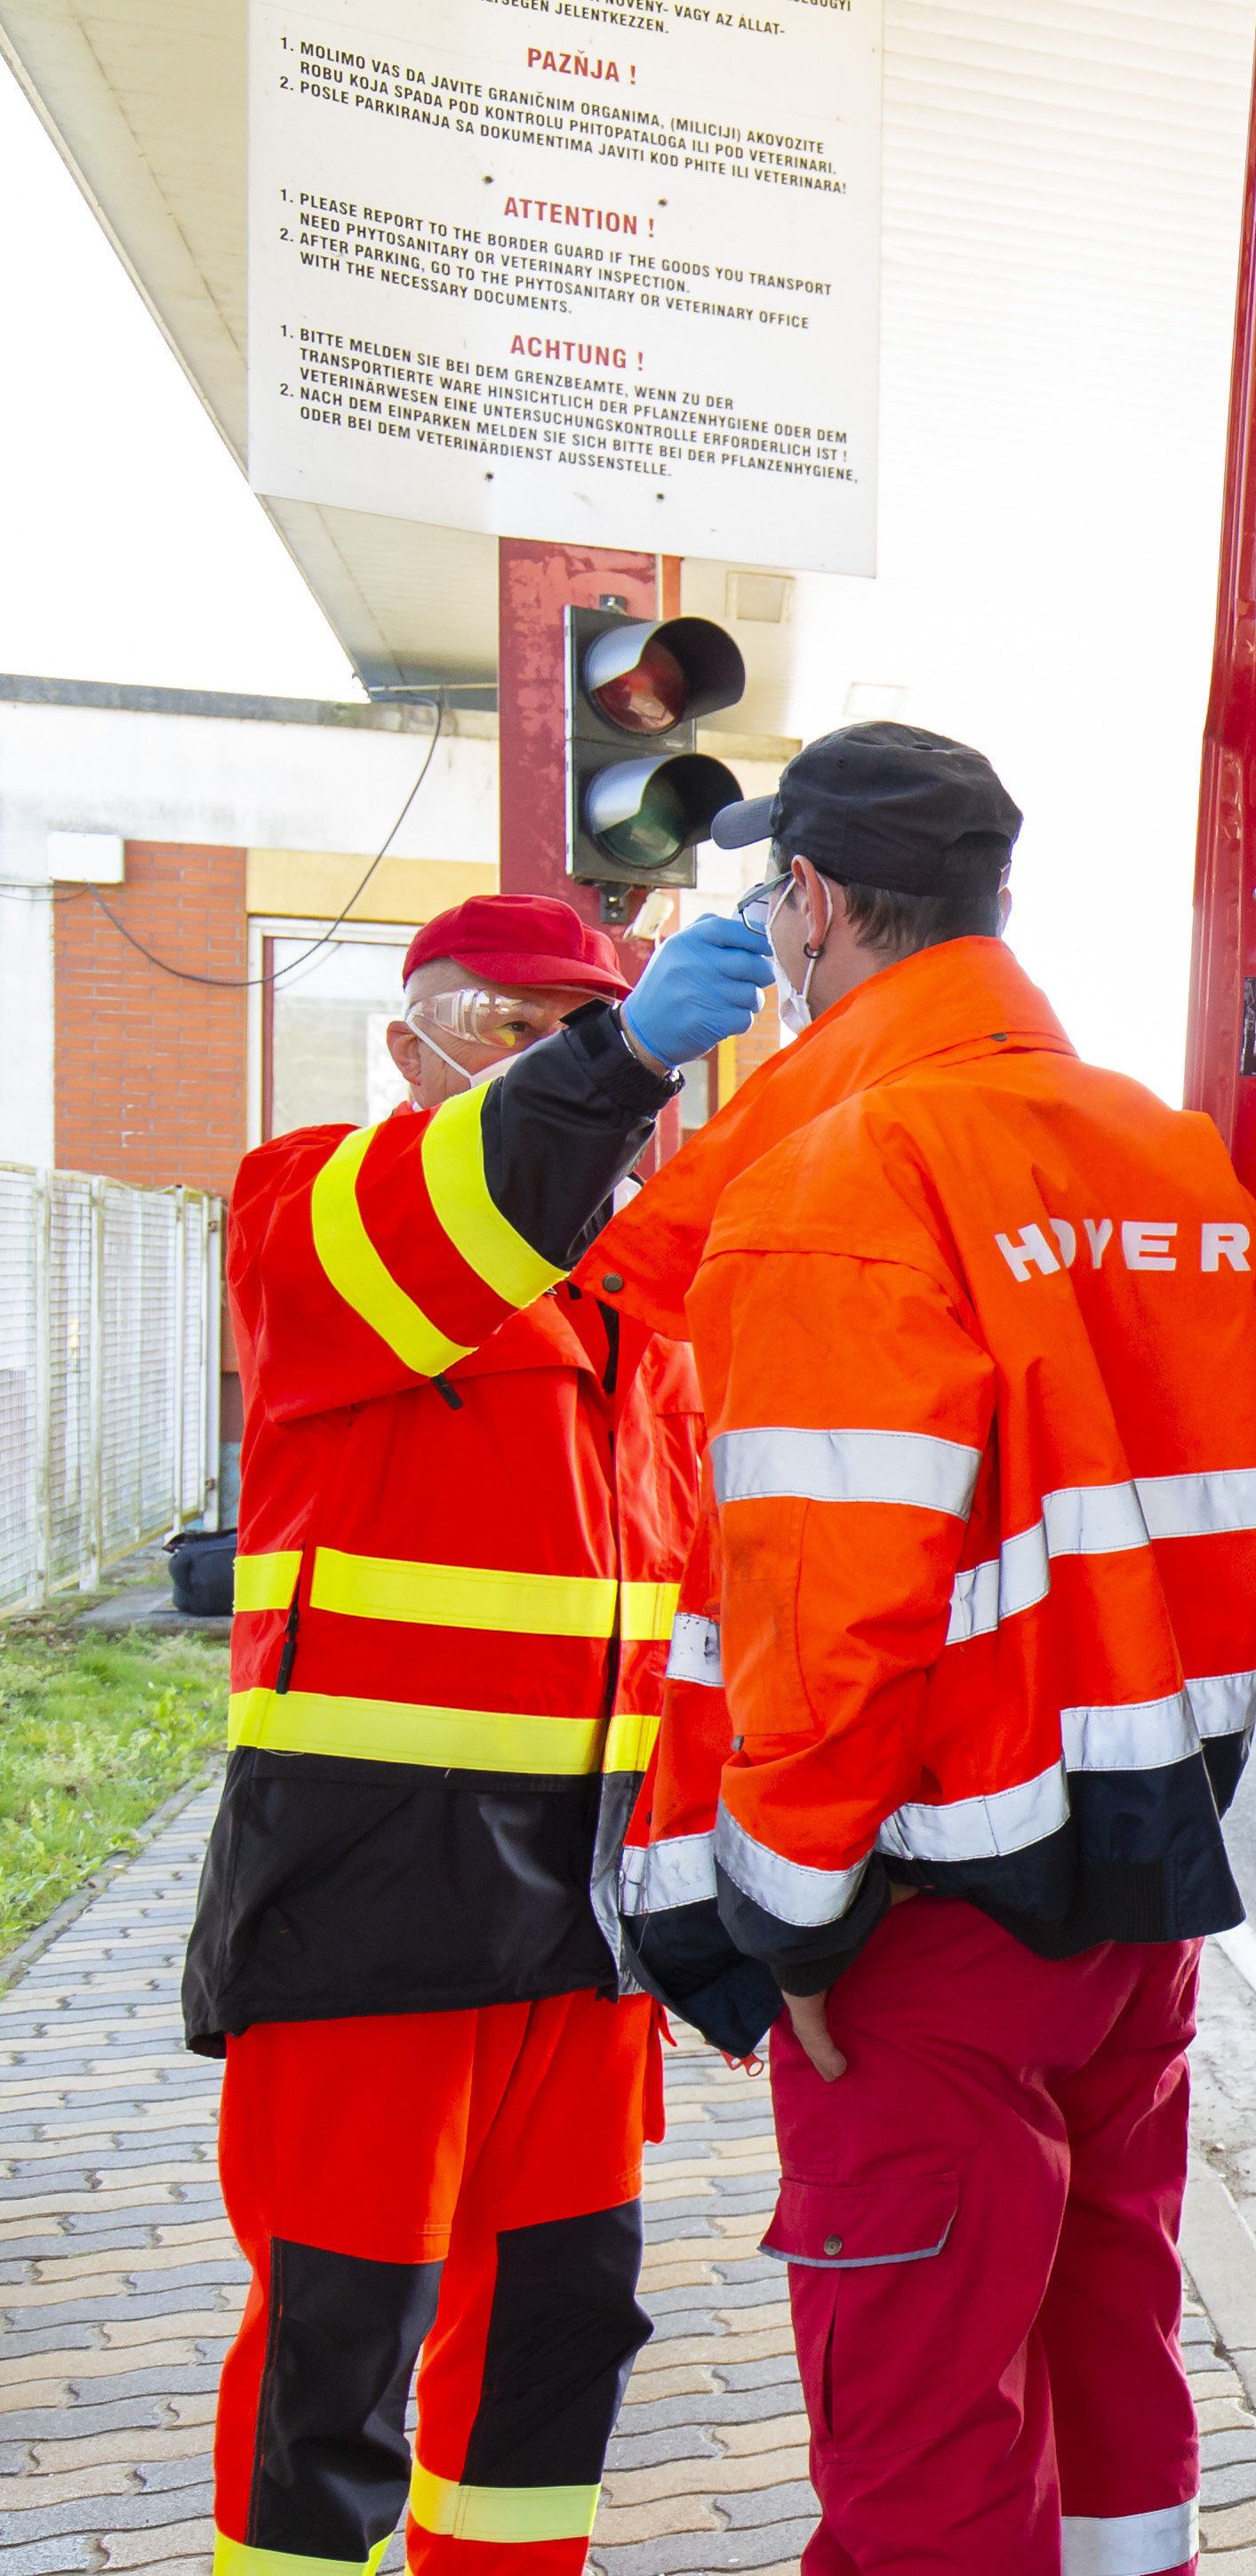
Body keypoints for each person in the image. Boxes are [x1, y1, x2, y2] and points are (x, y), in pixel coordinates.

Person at [603, 723, 1256, 2576]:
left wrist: (794, 1917)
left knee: (921, 2437)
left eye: (775, 905)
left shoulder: (843, 1181)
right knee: (1111, 2356)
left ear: (813, 908)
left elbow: (832, 1613)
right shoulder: (1169, 1159)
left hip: (923, 1924)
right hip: (1134, 1904)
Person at [191, 890, 774, 2575]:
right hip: (372, 1913)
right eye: (516, 1035)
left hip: (579, 1944)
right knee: (338, 2375)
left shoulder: (641, 1307)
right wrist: (621, 1056)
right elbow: (468, 1212)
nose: (569, 1071)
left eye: (586, 1035)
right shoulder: (313, 1207)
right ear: (408, 1045)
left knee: (553, 2353)